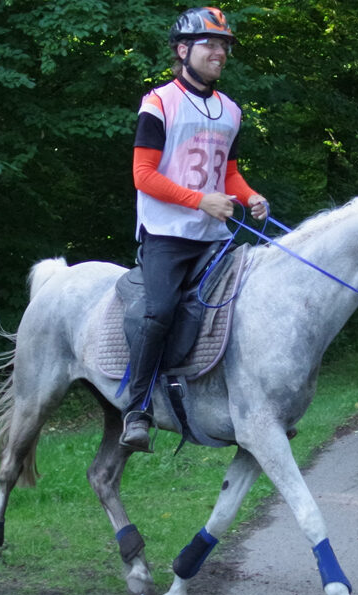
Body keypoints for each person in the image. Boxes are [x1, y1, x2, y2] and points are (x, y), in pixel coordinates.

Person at [120, 7, 268, 450]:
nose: (220, 52)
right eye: (210, 44)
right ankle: (138, 408)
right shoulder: (159, 102)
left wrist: (249, 196)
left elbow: (230, 175)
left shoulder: (232, 111)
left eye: (224, 45)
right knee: (159, 312)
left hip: (213, 239)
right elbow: (143, 175)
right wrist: (201, 200)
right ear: (183, 50)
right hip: (167, 234)